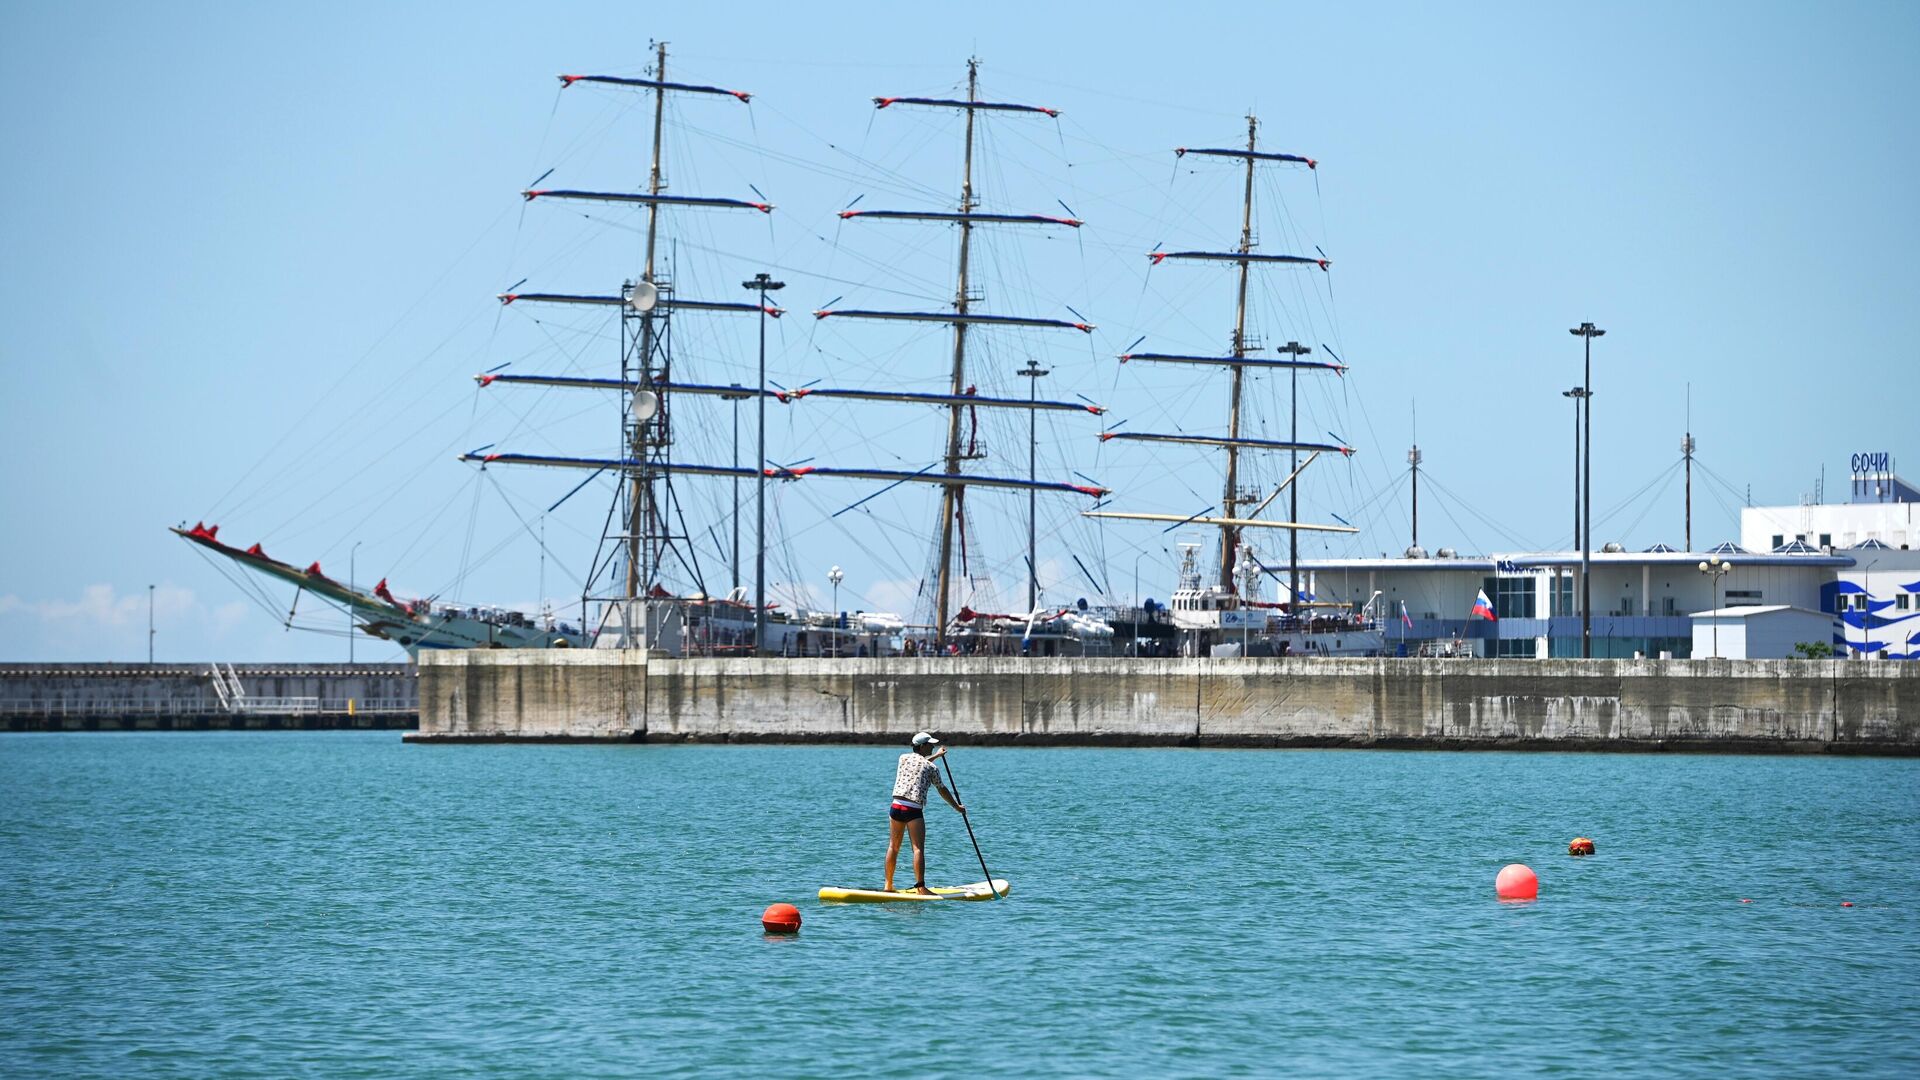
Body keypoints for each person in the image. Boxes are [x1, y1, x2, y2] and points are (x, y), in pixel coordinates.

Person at [885, 731, 965, 894]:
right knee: (918, 849)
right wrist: (956, 807)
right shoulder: (932, 768)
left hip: (896, 806)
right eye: (930, 744)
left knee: (893, 847)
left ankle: (888, 886)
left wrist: (936, 755)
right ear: (922, 746)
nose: (933, 746)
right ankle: (921, 887)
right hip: (913, 809)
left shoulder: (903, 758)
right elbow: (942, 790)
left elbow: (919, 763)